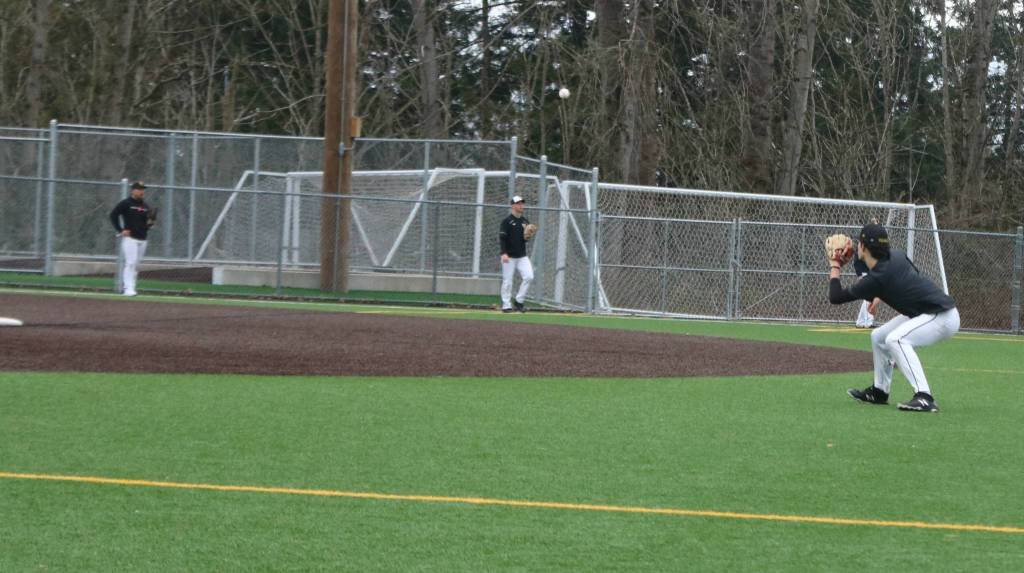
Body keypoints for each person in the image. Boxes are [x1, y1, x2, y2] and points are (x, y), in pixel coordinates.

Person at [827, 223, 959, 412]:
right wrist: (879, 295)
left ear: (863, 248)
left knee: (896, 339)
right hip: (930, 312)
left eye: (859, 243)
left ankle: (924, 396)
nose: (856, 246)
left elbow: (835, 297)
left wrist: (835, 265)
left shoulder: (875, 279)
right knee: (879, 337)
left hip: (941, 316)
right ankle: (879, 391)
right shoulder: (897, 256)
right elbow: (900, 278)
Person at [109, 181, 155, 297]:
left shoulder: (145, 206)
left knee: (136, 265)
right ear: (133, 190)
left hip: (143, 238)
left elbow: (148, 224)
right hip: (130, 238)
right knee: (130, 263)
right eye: (139, 189)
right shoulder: (126, 203)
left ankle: (132, 287)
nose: (142, 191)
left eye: (143, 189)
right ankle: (127, 288)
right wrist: (120, 230)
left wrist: (151, 223)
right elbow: (113, 215)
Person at [499, 195, 534, 312]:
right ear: (513, 205)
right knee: (507, 281)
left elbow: (525, 239)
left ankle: (519, 301)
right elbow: (502, 238)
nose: (521, 205)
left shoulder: (525, 221)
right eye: (518, 203)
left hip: (522, 256)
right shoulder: (507, 221)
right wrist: (503, 253)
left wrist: (528, 236)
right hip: (508, 256)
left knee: (529, 276)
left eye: (522, 203)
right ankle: (506, 305)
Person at [853, 257, 875, 328]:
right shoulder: (862, 249)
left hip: (868, 270)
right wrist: (860, 275)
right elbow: (858, 259)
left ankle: (860, 321)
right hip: (864, 270)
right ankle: (868, 322)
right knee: (869, 295)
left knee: (869, 295)